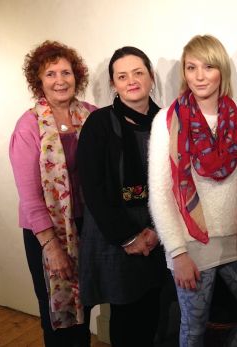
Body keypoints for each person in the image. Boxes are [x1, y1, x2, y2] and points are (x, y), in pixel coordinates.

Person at [148, 34, 237, 347]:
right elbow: (160, 193)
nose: (199, 76)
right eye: (191, 67)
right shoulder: (167, 120)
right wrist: (178, 252)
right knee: (194, 329)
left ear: (221, 70)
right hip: (191, 244)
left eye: (208, 67)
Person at [76, 46, 167, 347]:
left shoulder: (167, 122)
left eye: (138, 72)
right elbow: (92, 188)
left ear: (151, 77)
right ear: (114, 84)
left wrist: (155, 230)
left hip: (160, 231)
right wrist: (129, 237)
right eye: (122, 76)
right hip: (116, 235)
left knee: (157, 312)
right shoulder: (99, 123)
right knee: (126, 320)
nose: (131, 81)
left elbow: (176, 182)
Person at [9, 40, 95, 346]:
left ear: (77, 76)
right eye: (50, 74)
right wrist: (52, 247)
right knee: (56, 315)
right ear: (39, 81)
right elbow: (29, 196)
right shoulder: (28, 126)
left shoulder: (92, 115)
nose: (60, 80)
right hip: (47, 232)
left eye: (66, 72)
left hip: (88, 227)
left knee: (86, 304)